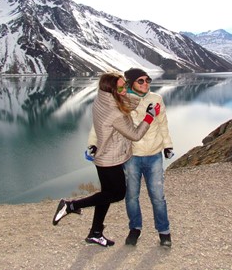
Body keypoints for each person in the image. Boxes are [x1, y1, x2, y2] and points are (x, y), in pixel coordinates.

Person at [52, 72, 160, 248]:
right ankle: (70, 206)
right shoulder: (114, 113)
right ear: (111, 89)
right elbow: (135, 134)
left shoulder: (102, 99)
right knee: (117, 194)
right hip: (111, 159)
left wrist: (126, 94)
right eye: (121, 87)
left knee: (106, 195)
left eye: (125, 84)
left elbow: (125, 104)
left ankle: (95, 233)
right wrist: (149, 117)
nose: (125, 88)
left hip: (104, 156)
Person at [88, 68, 174, 248]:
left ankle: (164, 232)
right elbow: (100, 124)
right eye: (140, 81)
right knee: (131, 196)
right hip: (131, 155)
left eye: (148, 80)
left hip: (154, 154)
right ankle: (135, 229)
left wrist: (167, 145)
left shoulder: (156, 99)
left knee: (158, 196)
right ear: (131, 83)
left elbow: (163, 124)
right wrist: (93, 143)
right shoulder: (121, 100)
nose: (146, 83)